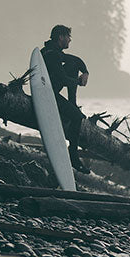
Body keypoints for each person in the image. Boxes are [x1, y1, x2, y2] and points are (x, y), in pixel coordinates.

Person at [41, 24, 90, 173]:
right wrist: (78, 81)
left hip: (52, 91)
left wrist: (85, 72)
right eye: (69, 37)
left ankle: (72, 104)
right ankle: (73, 156)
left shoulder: (53, 51)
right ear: (61, 37)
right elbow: (62, 77)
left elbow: (76, 60)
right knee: (76, 117)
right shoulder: (51, 54)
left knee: (73, 65)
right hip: (48, 95)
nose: (70, 40)